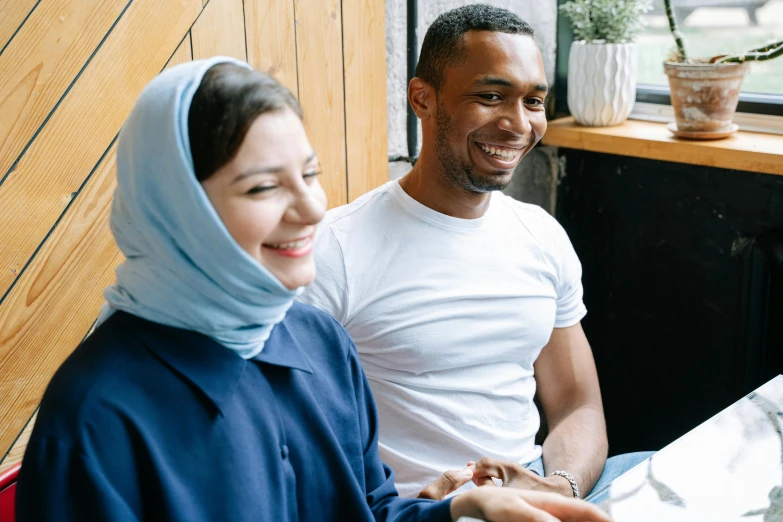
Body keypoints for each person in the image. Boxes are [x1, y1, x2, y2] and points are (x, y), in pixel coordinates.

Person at [15, 57, 611, 522]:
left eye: (309, 174)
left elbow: (373, 513)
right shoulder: (98, 414)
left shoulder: (317, 341)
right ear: (176, 210)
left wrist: (459, 510)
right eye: (261, 188)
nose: (310, 209)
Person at [299, 4, 653, 503]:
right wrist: (413, 515)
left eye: (533, 101)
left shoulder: (541, 235)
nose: (517, 124)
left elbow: (577, 407)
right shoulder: (333, 250)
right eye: (491, 96)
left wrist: (557, 488)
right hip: (420, 505)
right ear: (422, 99)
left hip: (538, 486)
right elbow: (292, 441)